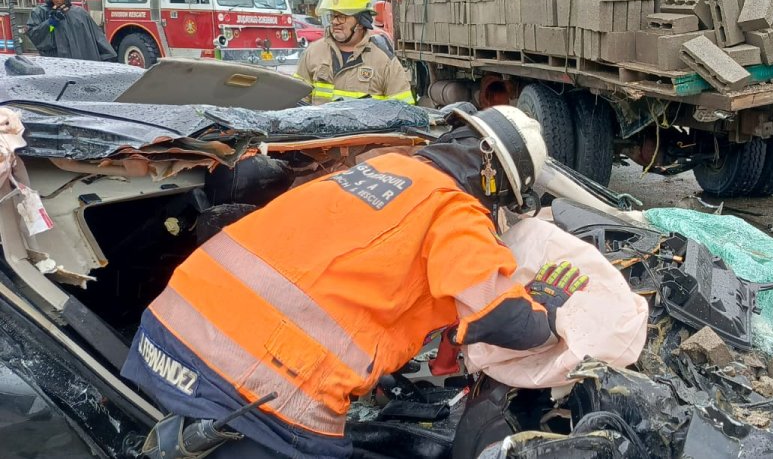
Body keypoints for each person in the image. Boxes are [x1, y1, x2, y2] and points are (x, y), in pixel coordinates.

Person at [122, 105, 589, 458]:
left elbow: (341, 272)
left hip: (172, 326)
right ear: (496, 179)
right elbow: (505, 318)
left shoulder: (379, 168)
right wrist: (545, 304)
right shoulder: (454, 208)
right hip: (255, 384)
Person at [293, 0, 414, 105]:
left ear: (361, 22)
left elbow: (404, 111)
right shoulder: (313, 52)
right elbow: (296, 102)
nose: (335, 21)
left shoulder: (384, 61)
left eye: (342, 16)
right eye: (333, 16)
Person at [26, 0, 117, 62]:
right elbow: (37, 36)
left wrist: (108, 57)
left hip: (82, 63)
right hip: (57, 64)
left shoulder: (79, 13)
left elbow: (97, 36)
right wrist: (51, 23)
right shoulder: (40, 13)